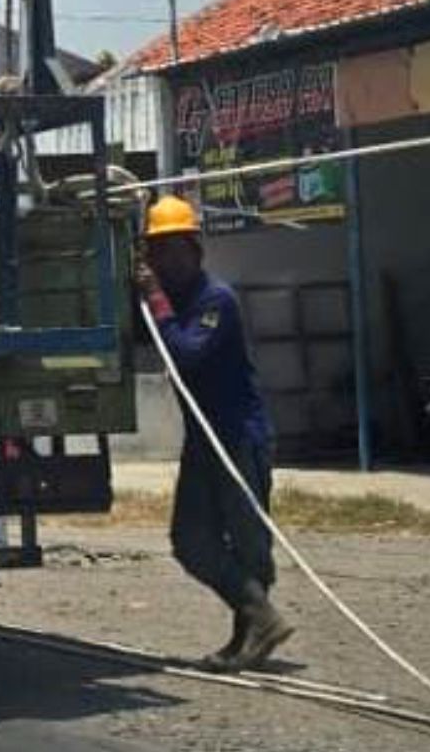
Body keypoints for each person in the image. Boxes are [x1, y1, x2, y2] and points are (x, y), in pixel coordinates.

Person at [137, 196, 293, 672]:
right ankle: (258, 617)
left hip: (238, 439)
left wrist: (157, 300)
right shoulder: (174, 302)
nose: (165, 261)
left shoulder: (214, 300)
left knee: (248, 541)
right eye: (157, 252)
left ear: (194, 249)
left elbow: (186, 355)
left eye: (173, 251)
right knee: (190, 540)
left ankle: (252, 630)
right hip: (204, 442)